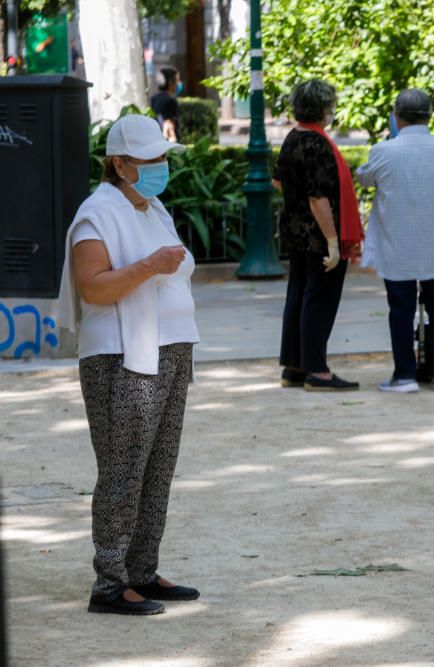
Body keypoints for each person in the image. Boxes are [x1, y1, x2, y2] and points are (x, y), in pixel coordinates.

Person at [56, 114, 200, 615]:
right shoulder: (97, 213)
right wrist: (148, 267)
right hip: (123, 356)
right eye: (150, 161)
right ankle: (110, 582)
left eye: (162, 158)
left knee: (157, 469)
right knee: (123, 468)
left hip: (170, 351)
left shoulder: (153, 207)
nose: (161, 167)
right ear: (119, 164)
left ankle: (142, 570)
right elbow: (93, 285)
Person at [356, 89, 434, 393]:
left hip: (397, 245)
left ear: (397, 116)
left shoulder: (383, 150)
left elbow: (365, 178)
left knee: (400, 311)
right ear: (429, 116)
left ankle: (404, 374)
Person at [272, 79, 364, 392]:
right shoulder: (318, 143)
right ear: (322, 109)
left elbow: (278, 181)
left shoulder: (293, 138)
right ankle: (317, 370)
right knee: (319, 299)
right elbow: (318, 198)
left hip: (295, 231)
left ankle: (295, 367)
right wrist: (334, 242)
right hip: (319, 235)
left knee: (298, 295)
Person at [150, 67, 182, 143]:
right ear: (171, 83)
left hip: (156, 140)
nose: (179, 84)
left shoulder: (153, 99)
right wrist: (173, 140)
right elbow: (169, 123)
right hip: (167, 141)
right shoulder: (171, 101)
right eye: (177, 80)